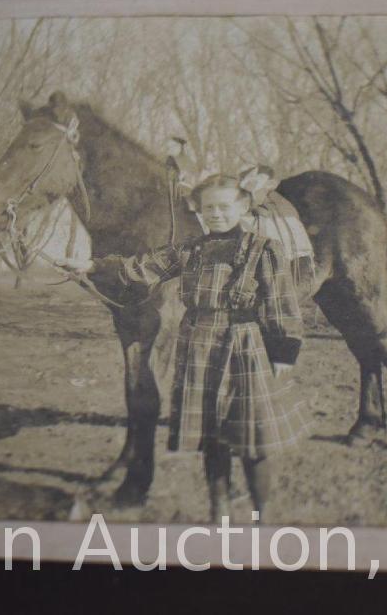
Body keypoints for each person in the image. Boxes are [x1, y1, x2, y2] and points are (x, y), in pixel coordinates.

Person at [56, 173, 310, 521]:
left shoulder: (265, 250)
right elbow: (142, 267)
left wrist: (284, 350)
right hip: (201, 344)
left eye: (224, 207)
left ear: (243, 206)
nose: (216, 214)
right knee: (213, 435)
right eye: (209, 209)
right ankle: (218, 513)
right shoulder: (191, 249)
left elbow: (282, 302)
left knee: (253, 435)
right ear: (200, 212)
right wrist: (92, 265)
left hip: (246, 343)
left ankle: (262, 517)